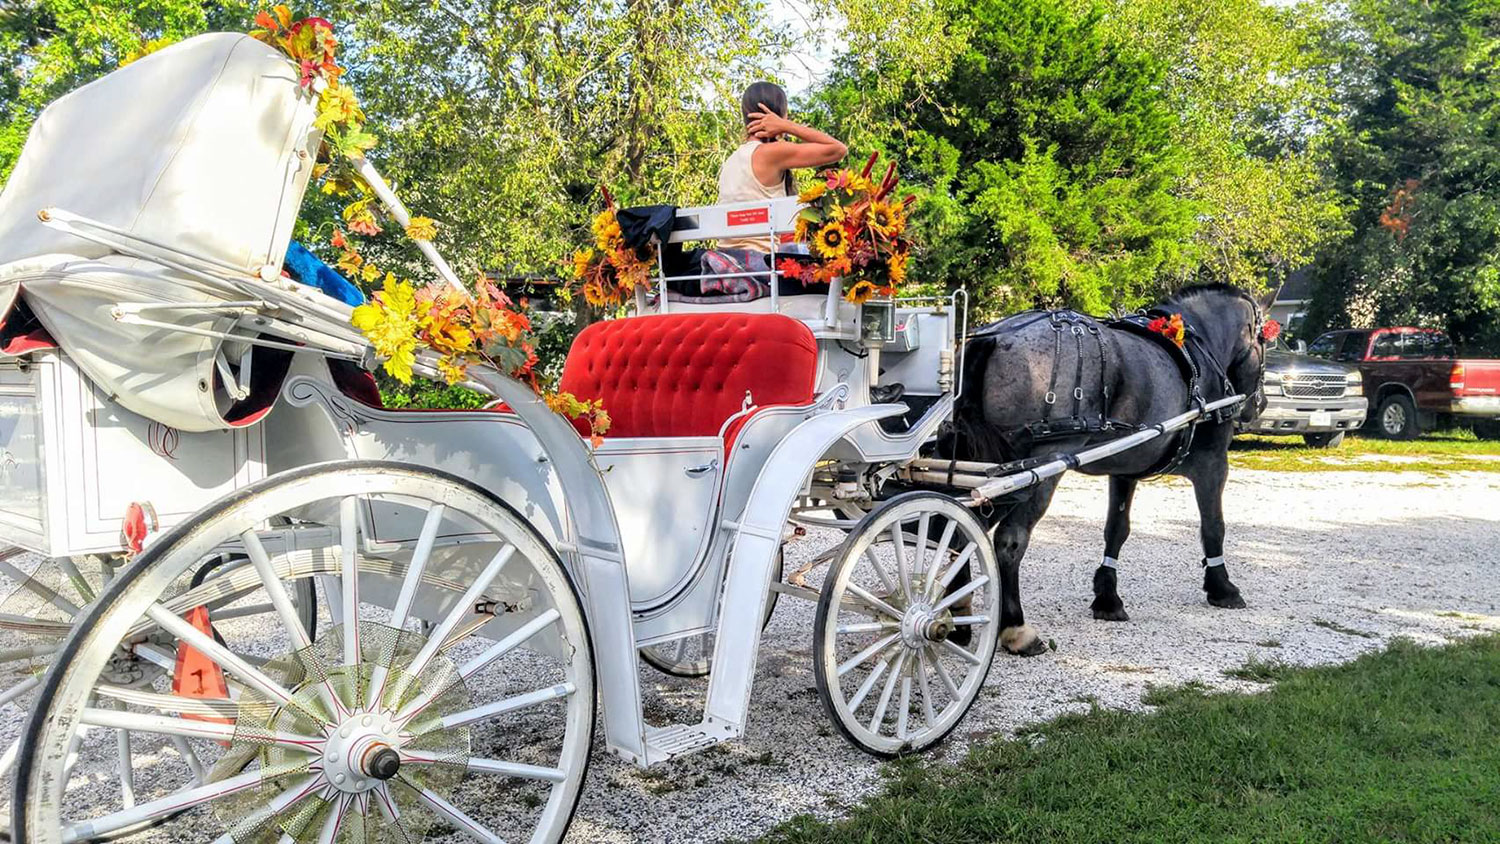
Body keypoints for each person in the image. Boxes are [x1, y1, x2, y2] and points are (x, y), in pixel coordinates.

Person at [715, 81, 847, 254]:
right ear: (778, 115)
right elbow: (838, 149)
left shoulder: (732, 160)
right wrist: (787, 126)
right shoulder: (770, 152)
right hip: (762, 267)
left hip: (725, 264)